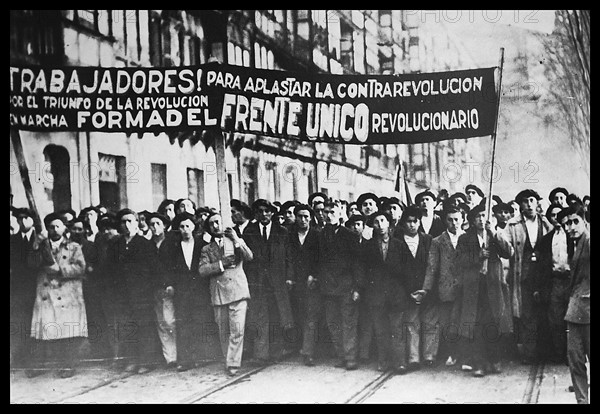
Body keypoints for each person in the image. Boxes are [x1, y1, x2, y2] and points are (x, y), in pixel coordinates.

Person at [453, 204, 513, 377]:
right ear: (472, 220)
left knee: (493, 322)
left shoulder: (495, 236)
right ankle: (479, 362)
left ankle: (494, 359)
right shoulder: (465, 238)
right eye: (477, 216)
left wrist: (494, 232)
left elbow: (509, 252)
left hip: (493, 285)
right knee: (476, 325)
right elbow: (459, 260)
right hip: (473, 287)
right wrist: (477, 257)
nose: (481, 219)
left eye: (484, 216)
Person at [27, 213, 88, 378]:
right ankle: (39, 365)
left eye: (57, 226)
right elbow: (31, 264)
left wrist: (60, 271)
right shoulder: (40, 246)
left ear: (64, 228)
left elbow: (81, 268)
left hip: (68, 294)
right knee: (44, 331)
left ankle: (68, 365)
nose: (54, 230)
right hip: (46, 293)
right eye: (51, 227)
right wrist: (36, 246)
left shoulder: (74, 247)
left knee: (67, 332)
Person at [160, 212, 220, 372]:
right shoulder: (173, 246)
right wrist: (169, 284)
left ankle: (201, 357)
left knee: (200, 321)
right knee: (183, 323)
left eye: (188, 226)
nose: (185, 229)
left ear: (194, 227)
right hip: (182, 290)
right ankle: (185, 360)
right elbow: (167, 268)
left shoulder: (202, 244)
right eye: (182, 226)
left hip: (200, 289)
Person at [103, 209, 161, 374]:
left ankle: (147, 361)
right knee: (127, 326)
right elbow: (109, 269)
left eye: (130, 221)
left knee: (144, 326)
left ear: (137, 223)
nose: (127, 225)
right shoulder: (115, 244)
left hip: (142, 293)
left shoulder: (145, 243)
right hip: (122, 294)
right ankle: (132, 360)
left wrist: (153, 287)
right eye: (123, 222)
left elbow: (154, 268)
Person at [199, 212, 253, 377]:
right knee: (224, 331)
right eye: (212, 223)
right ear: (209, 228)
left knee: (237, 329)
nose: (216, 225)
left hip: (238, 291)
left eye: (219, 222)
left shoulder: (236, 240)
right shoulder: (207, 249)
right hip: (219, 293)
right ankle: (228, 358)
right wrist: (220, 265)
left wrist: (236, 239)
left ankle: (232, 363)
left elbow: (249, 256)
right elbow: (202, 270)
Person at [243, 199, 294, 364]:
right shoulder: (249, 231)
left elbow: (289, 258)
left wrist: (289, 277)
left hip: (278, 280)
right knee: (259, 315)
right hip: (257, 281)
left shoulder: (282, 231)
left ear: (272, 212)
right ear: (256, 214)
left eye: (267, 211)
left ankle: (276, 352)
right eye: (260, 211)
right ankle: (261, 353)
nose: (264, 214)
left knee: (278, 314)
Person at [505, 189, 553, 364]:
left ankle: (546, 352)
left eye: (532, 200)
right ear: (520, 205)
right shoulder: (512, 225)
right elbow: (506, 248)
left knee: (545, 312)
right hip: (523, 275)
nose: (529, 204)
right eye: (525, 201)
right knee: (527, 314)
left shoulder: (547, 224)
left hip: (543, 274)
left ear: (537, 202)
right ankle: (529, 354)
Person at [361, 210, 409, 374]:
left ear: (389, 224)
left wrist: (404, 291)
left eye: (383, 221)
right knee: (380, 330)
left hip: (396, 295)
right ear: (373, 225)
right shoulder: (367, 246)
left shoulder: (399, 245)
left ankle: (400, 362)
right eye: (376, 222)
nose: (380, 225)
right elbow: (364, 271)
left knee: (397, 330)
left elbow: (405, 271)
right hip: (376, 295)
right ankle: (383, 360)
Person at [417, 206, 465, 368]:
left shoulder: (468, 238)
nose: (454, 223)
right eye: (450, 220)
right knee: (447, 323)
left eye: (457, 219)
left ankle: (463, 353)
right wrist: (426, 288)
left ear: (463, 220)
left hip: (465, 288)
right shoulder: (437, 241)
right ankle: (451, 353)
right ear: (445, 221)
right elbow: (432, 267)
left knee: (463, 321)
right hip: (445, 288)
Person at [317, 201, 363, 370]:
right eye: (326, 212)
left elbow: (358, 264)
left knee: (349, 323)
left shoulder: (349, 235)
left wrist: (357, 287)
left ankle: (351, 357)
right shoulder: (321, 234)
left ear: (340, 213)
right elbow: (319, 261)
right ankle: (341, 356)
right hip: (328, 287)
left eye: (332, 212)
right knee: (333, 323)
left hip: (346, 286)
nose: (328, 215)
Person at [559, 204, 590, 404]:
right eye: (566, 224)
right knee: (575, 360)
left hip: (588, 310)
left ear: (584, 220)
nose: (570, 227)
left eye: (574, 222)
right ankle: (582, 400)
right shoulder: (575, 244)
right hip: (575, 311)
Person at [286, 204, 322, 366]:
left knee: (311, 317)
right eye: (300, 216)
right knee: (299, 315)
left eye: (306, 216)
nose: (303, 220)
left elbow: (321, 259)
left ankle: (309, 352)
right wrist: (289, 277)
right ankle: (300, 347)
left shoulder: (317, 235)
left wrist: (314, 275)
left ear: (311, 218)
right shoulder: (289, 235)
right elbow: (287, 258)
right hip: (295, 283)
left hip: (312, 283)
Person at [398, 205, 433, 370]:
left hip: (425, 289)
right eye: (408, 221)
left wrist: (425, 290)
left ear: (420, 222)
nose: (412, 225)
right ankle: (414, 358)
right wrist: (409, 292)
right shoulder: (397, 241)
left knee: (430, 322)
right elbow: (396, 269)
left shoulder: (427, 240)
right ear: (403, 223)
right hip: (408, 291)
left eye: (415, 221)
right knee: (411, 324)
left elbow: (432, 266)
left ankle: (429, 355)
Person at [535, 204, 571, 364]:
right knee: (555, 319)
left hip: (571, 281)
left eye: (559, 215)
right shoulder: (547, 239)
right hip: (555, 282)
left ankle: (573, 354)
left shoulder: (572, 236)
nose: (556, 218)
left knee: (573, 319)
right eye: (553, 215)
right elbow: (542, 266)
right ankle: (559, 352)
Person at [10, 208, 41, 368]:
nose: (22, 222)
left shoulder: (41, 238)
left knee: (36, 324)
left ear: (32, 220)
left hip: (38, 286)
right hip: (17, 288)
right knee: (18, 322)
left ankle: (34, 360)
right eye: (19, 219)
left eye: (26, 218)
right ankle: (19, 357)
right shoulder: (12, 240)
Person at [148, 212, 177, 369]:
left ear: (164, 225)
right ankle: (169, 358)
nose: (154, 227)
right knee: (161, 323)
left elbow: (175, 266)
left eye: (158, 224)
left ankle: (178, 354)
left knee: (170, 321)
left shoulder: (171, 243)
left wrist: (171, 284)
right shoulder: (148, 245)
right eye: (151, 224)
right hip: (154, 288)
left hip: (169, 288)